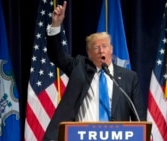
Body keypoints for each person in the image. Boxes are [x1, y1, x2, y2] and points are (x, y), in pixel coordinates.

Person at [43, 1, 147, 140]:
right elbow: (57, 55)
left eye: (104, 46)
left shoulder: (129, 77)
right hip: (80, 136)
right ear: (89, 53)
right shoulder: (79, 67)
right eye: (95, 47)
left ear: (111, 50)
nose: (100, 50)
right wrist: (56, 25)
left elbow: (138, 117)